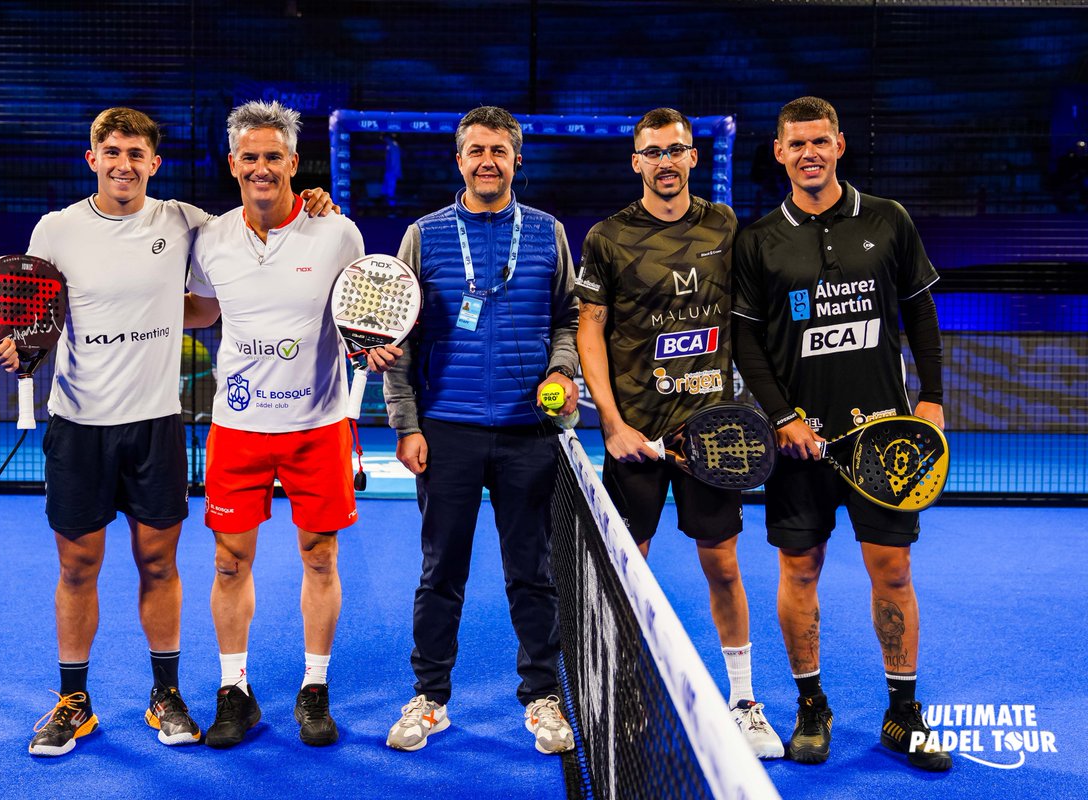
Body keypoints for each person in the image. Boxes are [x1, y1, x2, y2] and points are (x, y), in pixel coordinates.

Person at [0, 107, 337, 757]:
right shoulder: (56, 230)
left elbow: (248, 245)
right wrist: (14, 349)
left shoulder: (184, 224)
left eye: (136, 153)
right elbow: (34, 317)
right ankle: (73, 702)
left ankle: (165, 695)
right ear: (93, 159)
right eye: (111, 151)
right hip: (79, 424)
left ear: (154, 163)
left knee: (158, 563)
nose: (123, 163)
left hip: (155, 425)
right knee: (78, 564)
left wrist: (310, 201)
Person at [731, 96, 952, 771]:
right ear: (779, 152)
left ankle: (903, 714)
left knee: (894, 570)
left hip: (886, 442)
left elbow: (920, 314)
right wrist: (784, 419)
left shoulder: (888, 220)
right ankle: (811, 709)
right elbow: (746, 342)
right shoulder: (759, 239)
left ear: (840, 143)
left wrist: (933, 399)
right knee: (799, 570)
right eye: (796, 143)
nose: (809, 153)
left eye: (820, 141)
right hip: (800, 450)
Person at [183, 99, 399, 749]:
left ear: (293, 163)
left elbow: (359, 316)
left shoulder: (338, 233)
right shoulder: (211, 238)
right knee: (229, 563)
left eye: (273, 156)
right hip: (238, 427)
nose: (261, 168)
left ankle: (314, 687)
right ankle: (234, 692)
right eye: (249, 157)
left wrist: (373, 348)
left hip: (318, 424)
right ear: (232, 164)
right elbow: (199, 311)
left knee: (320, 555)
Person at [574, 107, 783, 760]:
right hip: (635, 435)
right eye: (652, 152)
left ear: (694, 157)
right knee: (627, 573)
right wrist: (611, 422)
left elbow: (749, 319)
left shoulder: (725, 226)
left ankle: (745, 700)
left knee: (722, 564)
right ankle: (622, 690)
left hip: (712, 437)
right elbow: (589, 330)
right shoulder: (608, 238)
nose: (665, 162)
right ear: (636, 162)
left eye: (676, 150)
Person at [381, 105, 579, 755]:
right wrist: (407, 424)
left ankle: (543, 697)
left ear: (518, 159)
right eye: (476, 150)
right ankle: (430, 698)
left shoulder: (548, 232)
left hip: (530, 431)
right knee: (442, 571)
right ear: (458, 160)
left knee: (534, 572)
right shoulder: (423, 234)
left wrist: (560, 369)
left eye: (499, 149)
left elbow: (567, 320)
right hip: (448, 432)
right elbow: (401, 339)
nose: (487, 160)